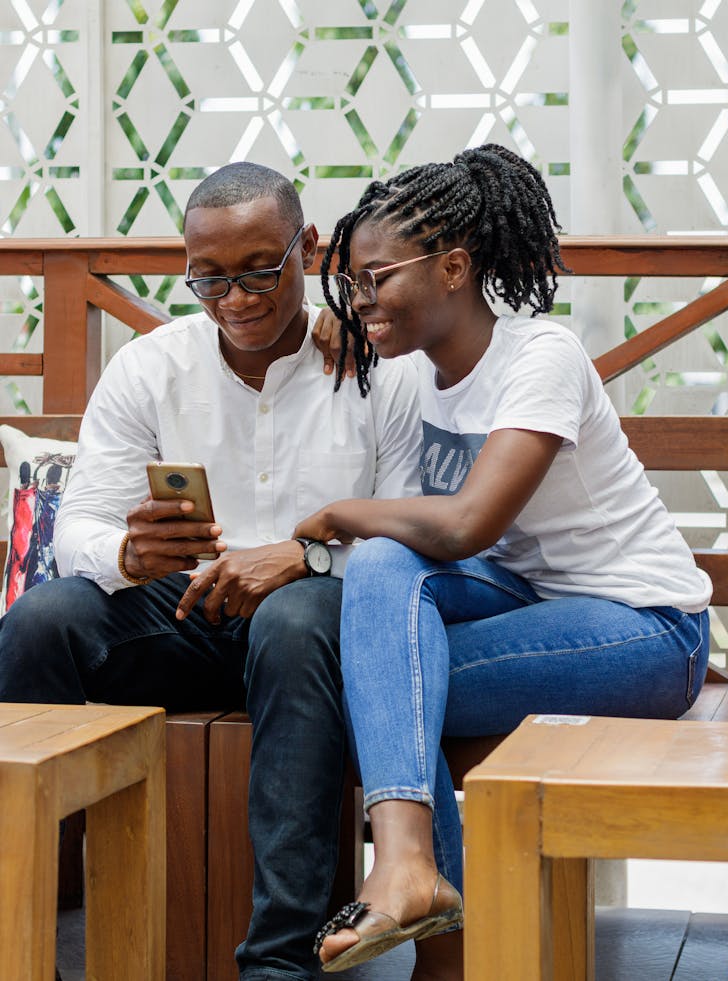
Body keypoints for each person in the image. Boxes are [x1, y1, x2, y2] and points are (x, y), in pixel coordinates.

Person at [295, 143, 712, 978]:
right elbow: (411, 549)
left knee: (391, 683)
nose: (362, 298)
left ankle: (443, 949)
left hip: (647, 630)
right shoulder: (412, 373)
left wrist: (338, 515)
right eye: (351, 281)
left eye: (378, 278)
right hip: (527, 603)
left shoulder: (539, 357)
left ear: (454, 267)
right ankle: (416, 880)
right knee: (383, 576)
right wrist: (335, 301)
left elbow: (464, 526)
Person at [0, 161, 423, 981]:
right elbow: (78, 526)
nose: (237, 299)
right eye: (210, 279)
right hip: (186, 611)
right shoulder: (152, 367)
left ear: (308, 248)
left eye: (261, 270)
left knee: (295, 621)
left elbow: (408, 535)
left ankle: (278, 964)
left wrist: (305, 558)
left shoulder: (379, 367)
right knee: (39, 623)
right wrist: (126, 553)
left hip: (318, 617)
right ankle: (23, 939)